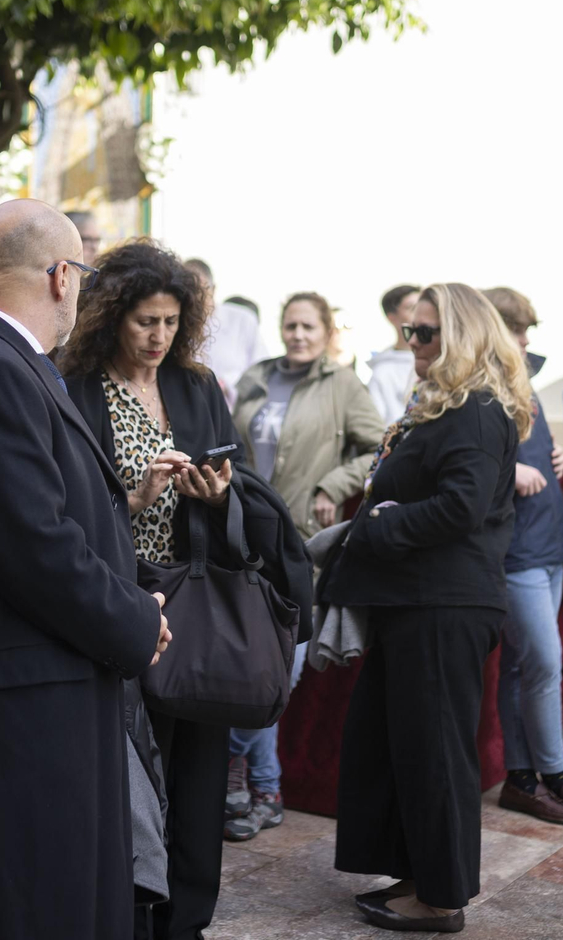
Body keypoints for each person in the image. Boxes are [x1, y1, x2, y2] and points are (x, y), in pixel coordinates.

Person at [0, 200, 166, 939]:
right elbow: (37, 547)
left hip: (28, 689)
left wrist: (130, 591)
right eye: (80, 275)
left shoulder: (0, 359)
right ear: (58, 275)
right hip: (18, 709)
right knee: (24, 904)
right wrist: (137, 621)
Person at [60, 240, 312, 938]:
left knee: (201, 772)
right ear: (110, 315)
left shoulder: (196, 385)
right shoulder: (74, 388)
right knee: (132, 769)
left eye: (171, 321)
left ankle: (185, 919)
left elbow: (243, 481)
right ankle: (128, 910)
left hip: (197, 596)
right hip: (121, 598)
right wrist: (133, 499)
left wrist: (219, 493)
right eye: (145, 320)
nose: (158, 336)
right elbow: (64, 510)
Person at [329, 283, 535, 932]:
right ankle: (419, 870)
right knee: (399, 746)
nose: (412, 343)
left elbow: (462, 505)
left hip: (443, 605)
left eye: (426, 333)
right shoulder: (446, 407)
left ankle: (441, 897)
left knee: (436, 751)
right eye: (410, 331)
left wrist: (379, 525)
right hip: (417, 600)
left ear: (464, 337)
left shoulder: (475, 408)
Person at [224, 290, 386, 841]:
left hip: (301, 547)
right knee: (249, 670)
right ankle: (265, 788)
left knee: (278, 673)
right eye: (290, 325)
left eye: (307, 327)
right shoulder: (256, 376)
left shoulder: (342, 384)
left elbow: (378, 447)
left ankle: (241, 770)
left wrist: (332, 484)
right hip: (244, 540)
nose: (297, 335)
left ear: (324, 332)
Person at [483, 288, 563, 826]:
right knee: (541, 661)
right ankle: (551, 774)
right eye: (517, 328)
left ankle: (524, 777)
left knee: (524, 666)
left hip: (548, 539)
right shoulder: (475, 384)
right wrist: (505, 471)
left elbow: (529, 442)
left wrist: (549, 452)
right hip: (516, 550)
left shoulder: (520, 376)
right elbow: (457, 455)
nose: (527, 338)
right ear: (492, 329)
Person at [185, 258, 267, 409]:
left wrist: (228, 387)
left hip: (235, 413)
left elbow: (261, 371)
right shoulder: (175, 324)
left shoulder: (243, 320)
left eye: (201, 291)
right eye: (187, 292)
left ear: (213, 289)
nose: (196, 298)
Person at [367, 284, 421, 422]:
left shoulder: (442, 358)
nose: (420, 314)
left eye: (422, 305)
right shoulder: (383, 373)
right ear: (392, 318)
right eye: (412, 308)